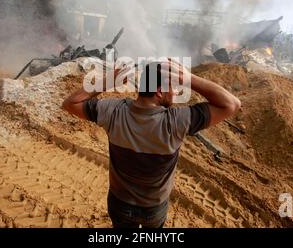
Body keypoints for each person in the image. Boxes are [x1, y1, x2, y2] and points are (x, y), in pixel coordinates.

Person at [62, 59, 241, 228]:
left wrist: (107, 81)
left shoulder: (113, 111)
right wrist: (190, 79)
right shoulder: (178, 121)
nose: (176, 92)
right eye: (173, 88)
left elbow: (70, 103)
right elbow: (231, 104)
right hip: (154, 208)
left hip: (119, 203)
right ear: (159, 91)